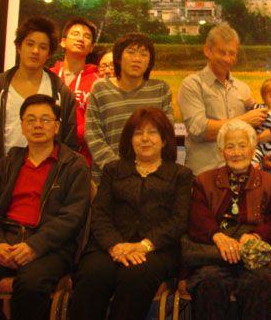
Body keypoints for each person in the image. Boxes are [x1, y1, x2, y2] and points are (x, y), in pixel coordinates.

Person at [69, 107, 193, 320]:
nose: (145, 139)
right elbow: (99, 214)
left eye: (152, 132)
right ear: (130, 139)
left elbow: (179, 220)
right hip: (109, 247)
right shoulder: (113, 170)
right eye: (138, 133)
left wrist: (143, 246)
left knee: (136, 274)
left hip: (157, 250)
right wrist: (115, 245)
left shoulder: (180, 174)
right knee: (93, 273)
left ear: (164, 140)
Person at [186, 119, 271, 320]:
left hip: (256, 258)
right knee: (209, 281)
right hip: (214, 256)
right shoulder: (204, 181)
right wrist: (217, 236)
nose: (236, 152)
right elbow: (197, 219)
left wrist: (256, 236)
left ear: (253, 149)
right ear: (221, 152)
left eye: (242, 145)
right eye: (230, 147)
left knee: (259, 281)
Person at [0, 94, 90, 320]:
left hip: (51, 247)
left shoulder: (74, 165)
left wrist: (34, 246)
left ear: (57, 126)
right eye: (31, 120)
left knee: (30, 284)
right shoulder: (7, 163)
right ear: (22, 126)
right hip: (6, 241)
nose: (38, 125)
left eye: (45, 119)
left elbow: (72, 217)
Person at [178, 23, 267, 175]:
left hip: (240, 174)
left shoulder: (243, 88)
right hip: (205, 174)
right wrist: (244, 120)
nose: (227, 59)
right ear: (207, 50)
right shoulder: (192, 84)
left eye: (232, 53)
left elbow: (251, 134)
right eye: (222, 52)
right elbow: (198, 130)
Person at [85, 33, 173, 183]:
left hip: (152, 178)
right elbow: (93, 134)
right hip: (109, 177)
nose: (137, 59)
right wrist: (119, 170)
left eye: (144, 54)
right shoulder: (100, 88)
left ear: (149, 62)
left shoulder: (160, 89)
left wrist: (147, 171)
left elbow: (166, 134)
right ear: (118, 58)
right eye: (131, 52)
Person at [0, 17, 77, 159]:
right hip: (4, 168)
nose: (35, 51)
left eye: (43, 47)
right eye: (30, 44)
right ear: (19, 47)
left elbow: (69, 142)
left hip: (48, 169)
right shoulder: (0, 87)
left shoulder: (61, 93)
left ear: (49, 54)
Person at [50, 18, 100, 166]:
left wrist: (70, 137)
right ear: (63, 42)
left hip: (83, 159)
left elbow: (97, 120)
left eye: (87, 36)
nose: (81, 39)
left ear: (91, 48)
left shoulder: (98, 81)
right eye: (75, 34)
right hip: (47, 155)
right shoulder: (48, 76)